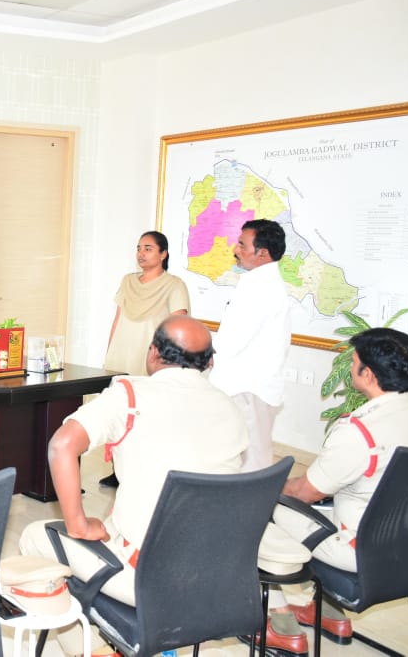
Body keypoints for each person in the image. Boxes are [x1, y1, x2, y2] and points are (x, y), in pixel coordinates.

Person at [19, 316, 247, 609]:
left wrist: (78, 525)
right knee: (112, 524)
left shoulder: (128, 397)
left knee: (34, 536)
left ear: (153, 352)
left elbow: (61, 445)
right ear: (209, 362)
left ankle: (84, 632)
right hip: (218, 577)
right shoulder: (230, 407)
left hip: (151, 581)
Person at [266, 327, 408, 646]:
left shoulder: (361, 432)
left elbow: (305, 492)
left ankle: (280, 623)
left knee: (260, 510)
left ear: (368, 374)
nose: (351, 368)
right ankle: (327, 613)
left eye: (354, 362)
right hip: (403, 545)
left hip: (359, 550)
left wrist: (268, 486)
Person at [100, 230, 190, 487]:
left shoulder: (174, 285)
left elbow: (178, 323)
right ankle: (117, 471)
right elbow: (118, 318)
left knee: (146, 415)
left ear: (163, 254)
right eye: (139, 248)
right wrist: (109, 352)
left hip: (150, 358)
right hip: (121, 355)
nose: (141, 253)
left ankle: (142, 471)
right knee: (119, 412)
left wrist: (169, 361)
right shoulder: (128, 281)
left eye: (148, 248)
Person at [209, 218, 291, 472]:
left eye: (242, 245)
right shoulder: (258, 282)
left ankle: (254, 499)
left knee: (252, 460)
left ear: (262, 253)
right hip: (244, 385)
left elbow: (233, 339)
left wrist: (204, 354)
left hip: (248, 388)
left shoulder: (261, 288)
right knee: (240, 455)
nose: (236, 249)